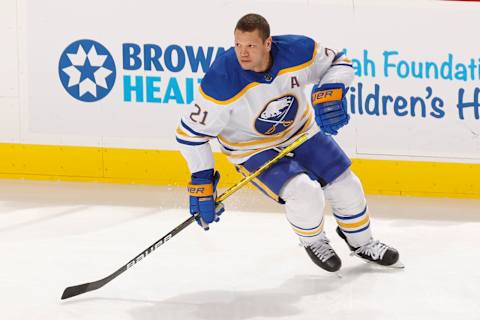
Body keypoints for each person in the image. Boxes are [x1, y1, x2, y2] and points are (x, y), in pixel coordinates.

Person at [176, 13, 402, 272]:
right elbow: (190, 135)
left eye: (250, 45)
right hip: (251, 149)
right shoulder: (222, 79)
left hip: (301, 132)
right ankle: (314, 241)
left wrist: (331, 91)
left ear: (268, 43)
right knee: (305, 192)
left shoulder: (297, 51)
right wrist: (201, 180)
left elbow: (340, 62)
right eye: (238, 45)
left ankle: (363, 243)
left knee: (347, 185)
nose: (243, 53)